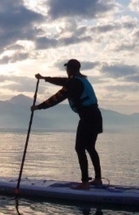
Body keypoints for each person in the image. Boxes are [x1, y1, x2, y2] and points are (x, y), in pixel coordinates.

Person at [32, 59, 103, 190]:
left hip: (88, 117)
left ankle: (85, 183)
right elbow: (62, 81)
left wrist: (39, 107)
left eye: (67, 69)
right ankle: (98, 179)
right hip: (96, 116)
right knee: (90, 147)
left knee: (80, 148)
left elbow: (57, 97)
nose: (66, 71)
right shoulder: (79, 80)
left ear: (69, 69)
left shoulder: (73, 83)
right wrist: (44, 78)